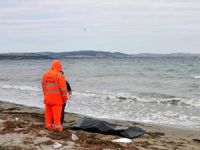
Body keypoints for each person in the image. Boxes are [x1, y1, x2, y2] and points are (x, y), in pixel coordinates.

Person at [42, 60, 68, 131]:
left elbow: (43, 87)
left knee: (48, 114)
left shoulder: (45, 74)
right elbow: (63, 89)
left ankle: (48, 126)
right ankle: (57, 128)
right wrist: (65, 98)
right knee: (57, 116)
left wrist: (45, 96)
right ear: (59, 67)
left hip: (48, 98)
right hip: (57, 100)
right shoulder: (60, 75)